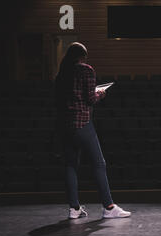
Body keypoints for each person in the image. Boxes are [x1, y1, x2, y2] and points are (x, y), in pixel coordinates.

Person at [55, 42, 131, 219]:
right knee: (99, 164)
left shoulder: (61, 74)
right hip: (82, 123)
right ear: (82, 56)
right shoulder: (86, 70)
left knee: (71, 165)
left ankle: (74, 209)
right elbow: (90, 99)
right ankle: (109, 207)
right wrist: (100, 94)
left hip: (65, 126)